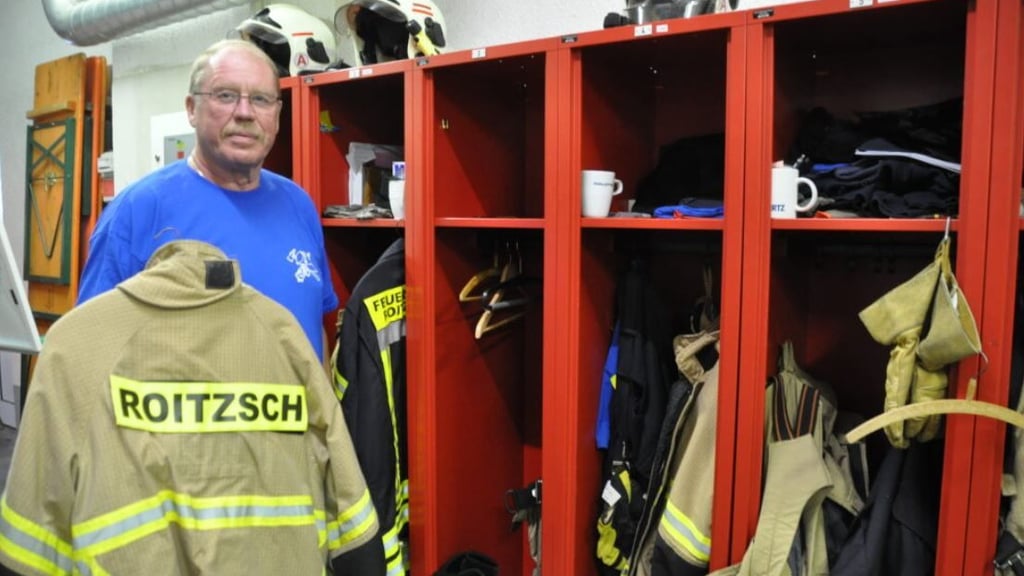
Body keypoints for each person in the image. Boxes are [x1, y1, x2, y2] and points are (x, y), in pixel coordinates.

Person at [78, 38, 336, 360]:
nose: (245, 112)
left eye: (261, 99)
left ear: (277, 114)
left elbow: (315, 332)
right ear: (191, 109)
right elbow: (90, 349)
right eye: (225, 95)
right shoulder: (138, 211)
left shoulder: (299, 205)